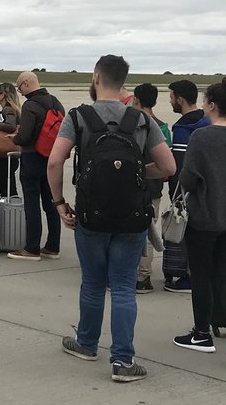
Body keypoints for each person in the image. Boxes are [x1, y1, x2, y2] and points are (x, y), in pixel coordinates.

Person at [48, 54, 175, 383]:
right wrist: (137, 173)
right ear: (124, 82)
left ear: (95, 76)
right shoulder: (141, 120)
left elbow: (55, 161)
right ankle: (122, 361)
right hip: (132, 217)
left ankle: (87, 344)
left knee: (92, 283)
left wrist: (60, 202)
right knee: (122, 287)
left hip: (91, 215)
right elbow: (168, 168)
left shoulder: (78, 116)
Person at [172, 80, 226, 353]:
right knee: (222, 271)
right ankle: (221, 319)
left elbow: (189, 179)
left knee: (201, 275)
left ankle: (201, 333)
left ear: (213, 105)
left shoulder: (201, 137)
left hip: (205, 217)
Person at [6, 71, 65, 261]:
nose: (20, 92)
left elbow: (25, 137)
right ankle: (53, 246)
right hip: (51, 158)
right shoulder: (55, 102)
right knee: (51, 202)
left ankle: (31, 248)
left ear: (25, 83)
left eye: (19, 87)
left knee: (32, 203)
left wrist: (14, 138)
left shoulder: (30, 105)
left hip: (32, 158)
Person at [166, 79, 212, 292]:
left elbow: (180, 167)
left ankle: (188, 277)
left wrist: (176, 196)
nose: (170, 100)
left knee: (187, 236)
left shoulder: (184, 129)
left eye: (171, 96)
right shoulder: (207, 122)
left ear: (180, 99)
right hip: (210, 190)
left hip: (189, 193)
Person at [131, 82, 172, 293]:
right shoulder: (163, 126)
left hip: (134, 187)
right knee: (150, 228)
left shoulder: (131, 125)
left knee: (135, 232)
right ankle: (143, 274)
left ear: (136, 99)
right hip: (155, 188)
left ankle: (141, 277)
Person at [0, 81, 21, 196]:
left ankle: (9, 211)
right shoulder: (10, 109)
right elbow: (3, 136)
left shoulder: (8, 109)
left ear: (3, 95)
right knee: (9, 187)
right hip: (8, 155)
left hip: (6, 157)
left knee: (7, 190)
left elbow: (10, 127)